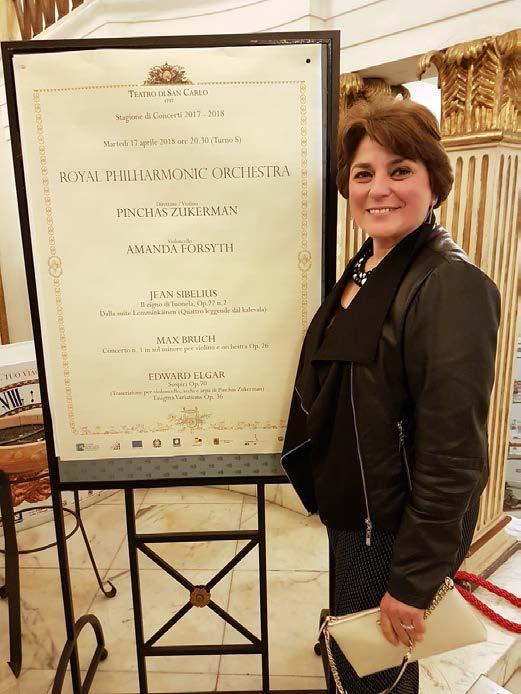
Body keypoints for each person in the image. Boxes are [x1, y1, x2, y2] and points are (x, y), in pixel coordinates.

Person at [281, 97, 501, 694]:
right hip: (355, 513)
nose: (378, 189)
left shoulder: (450, 285)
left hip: (394, 530)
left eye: (399, 170)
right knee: (356, 650)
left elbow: (454, 457)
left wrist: (412, 580)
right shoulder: (370, 265)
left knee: (376, 675)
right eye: (363, 173)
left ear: (434, 182)